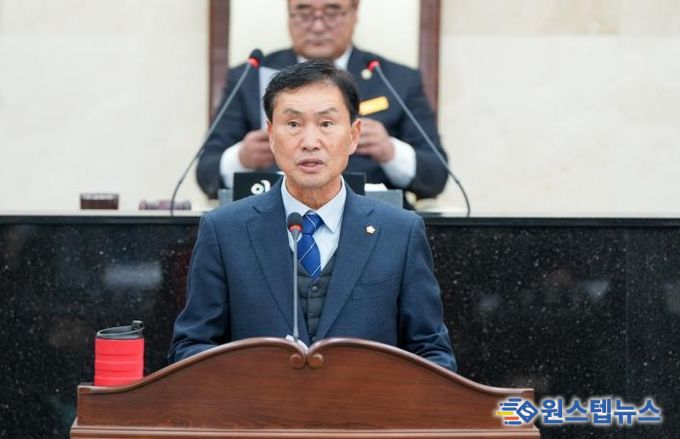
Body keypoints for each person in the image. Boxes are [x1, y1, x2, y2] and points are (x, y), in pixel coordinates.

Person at [170, 60, 456, 371]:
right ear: (271, 135)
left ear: (354, 135)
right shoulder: (225, 230)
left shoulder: (400, 232)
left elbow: (432, 353)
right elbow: (191, 346)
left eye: (326, 124)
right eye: (293, 124)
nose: (309, 142)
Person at [196, 0, 449, 204]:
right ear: (289, 13)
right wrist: (242, 158)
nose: (317, 26)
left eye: (332, 12)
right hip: (271, 221)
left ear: (355, 11)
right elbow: (206, 173)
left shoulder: (395, 79)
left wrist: (390, 151)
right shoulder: (250, 76)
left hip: (372, 224)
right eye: (304, 13)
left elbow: (436, 176)